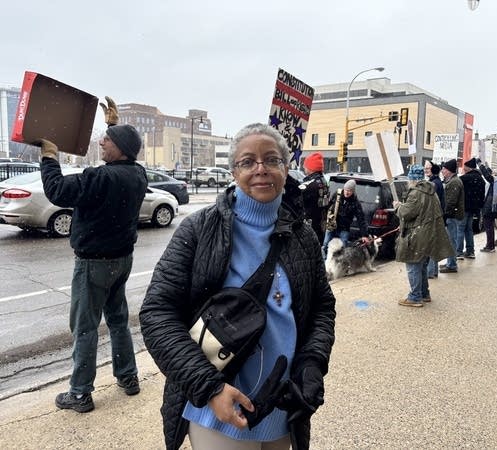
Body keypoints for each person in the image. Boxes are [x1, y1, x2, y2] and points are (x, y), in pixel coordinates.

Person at [139, 123, 336, 450]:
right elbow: (157, 314)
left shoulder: (303, 237)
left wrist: (313, 363)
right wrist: (210, 388)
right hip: (217, 408)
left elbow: (321, 308)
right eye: (248, 162)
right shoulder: (198, 230)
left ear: (287, 169)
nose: (261, 169)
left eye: (272, 160)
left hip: (280, 408)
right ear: (233, 170)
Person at [36, 97, 147, 413]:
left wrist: (49, 155)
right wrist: (114, 124)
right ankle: (129, 378)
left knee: (85, 328)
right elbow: (121, 156)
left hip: (93, 265)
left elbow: (57, 190)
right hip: (122, 261)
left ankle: (80, 393)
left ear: (120, 148)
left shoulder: (101, 178)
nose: (101, 141)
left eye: (107, 139)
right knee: (118, 321)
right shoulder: (137, 174)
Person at [394, 164, 454, 307]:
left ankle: (415, 297)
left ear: (413, 179)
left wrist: (398, 206)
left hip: (418, 234)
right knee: (421, 265)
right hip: (428, 234)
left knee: (413, 264)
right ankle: (424, 293)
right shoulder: (430, 191)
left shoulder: (416, 193)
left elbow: (406, 213)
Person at [322, 179, 369, 259]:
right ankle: (324, 263)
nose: (347, 192)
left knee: (343, 248)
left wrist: (364, 235)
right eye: (346, 190)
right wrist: (324, 219)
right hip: (332, 224)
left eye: (350, 191)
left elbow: (361, 219)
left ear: (353, 191)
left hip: (344, 228)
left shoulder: (355, 203)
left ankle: (340, 265)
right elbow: (327, 206)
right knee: (326, 245)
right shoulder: (337, 194)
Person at [456, 157, 485, 259]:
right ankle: (470, 251)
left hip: (464, 207)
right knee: (469, 229)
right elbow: (482, 195)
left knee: (460, 229)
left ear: (468, 168)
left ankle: (458, 252)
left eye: (465, 167)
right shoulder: (481, 179)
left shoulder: (464, 178)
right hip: (474, 208)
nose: (463, 169)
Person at [439, 159, 464, 274]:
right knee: (451, 240)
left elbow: (450, 202)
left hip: (452, 216)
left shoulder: (454, 182)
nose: (442, 171)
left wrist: (445, 215)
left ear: (449, 170)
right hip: (452, 215)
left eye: (444, 169)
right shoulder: (452, 181)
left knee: (451, 241)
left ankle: (452, 265)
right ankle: (450, 262)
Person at [299, 152, 329, 244]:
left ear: (311, 168)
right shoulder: (324, 182)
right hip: (320, 227)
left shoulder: (309, 185)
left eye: (305, 165)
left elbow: (294, 200)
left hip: (308, 228)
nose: (304, 168)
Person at [424, 160, 445, 279]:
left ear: (433, 169)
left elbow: (432, 203)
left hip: (433, 218)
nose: (426, 170)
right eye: (425, 168)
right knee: (433, 245)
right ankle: (433, 271)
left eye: (428, 168)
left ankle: (431, 271)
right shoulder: (436, 181)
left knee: (430, 245)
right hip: (437, 217)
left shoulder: (434, 184)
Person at [478, 163, 497, 253]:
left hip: (490, 207)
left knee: (489, 227)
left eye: (494, 173)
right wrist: (486, 166)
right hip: (493, 208)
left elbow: (487, 176)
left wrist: (480, 165)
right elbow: (488, 174)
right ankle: (490, 245)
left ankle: (490, 246)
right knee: (490, 227)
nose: (492, 174)